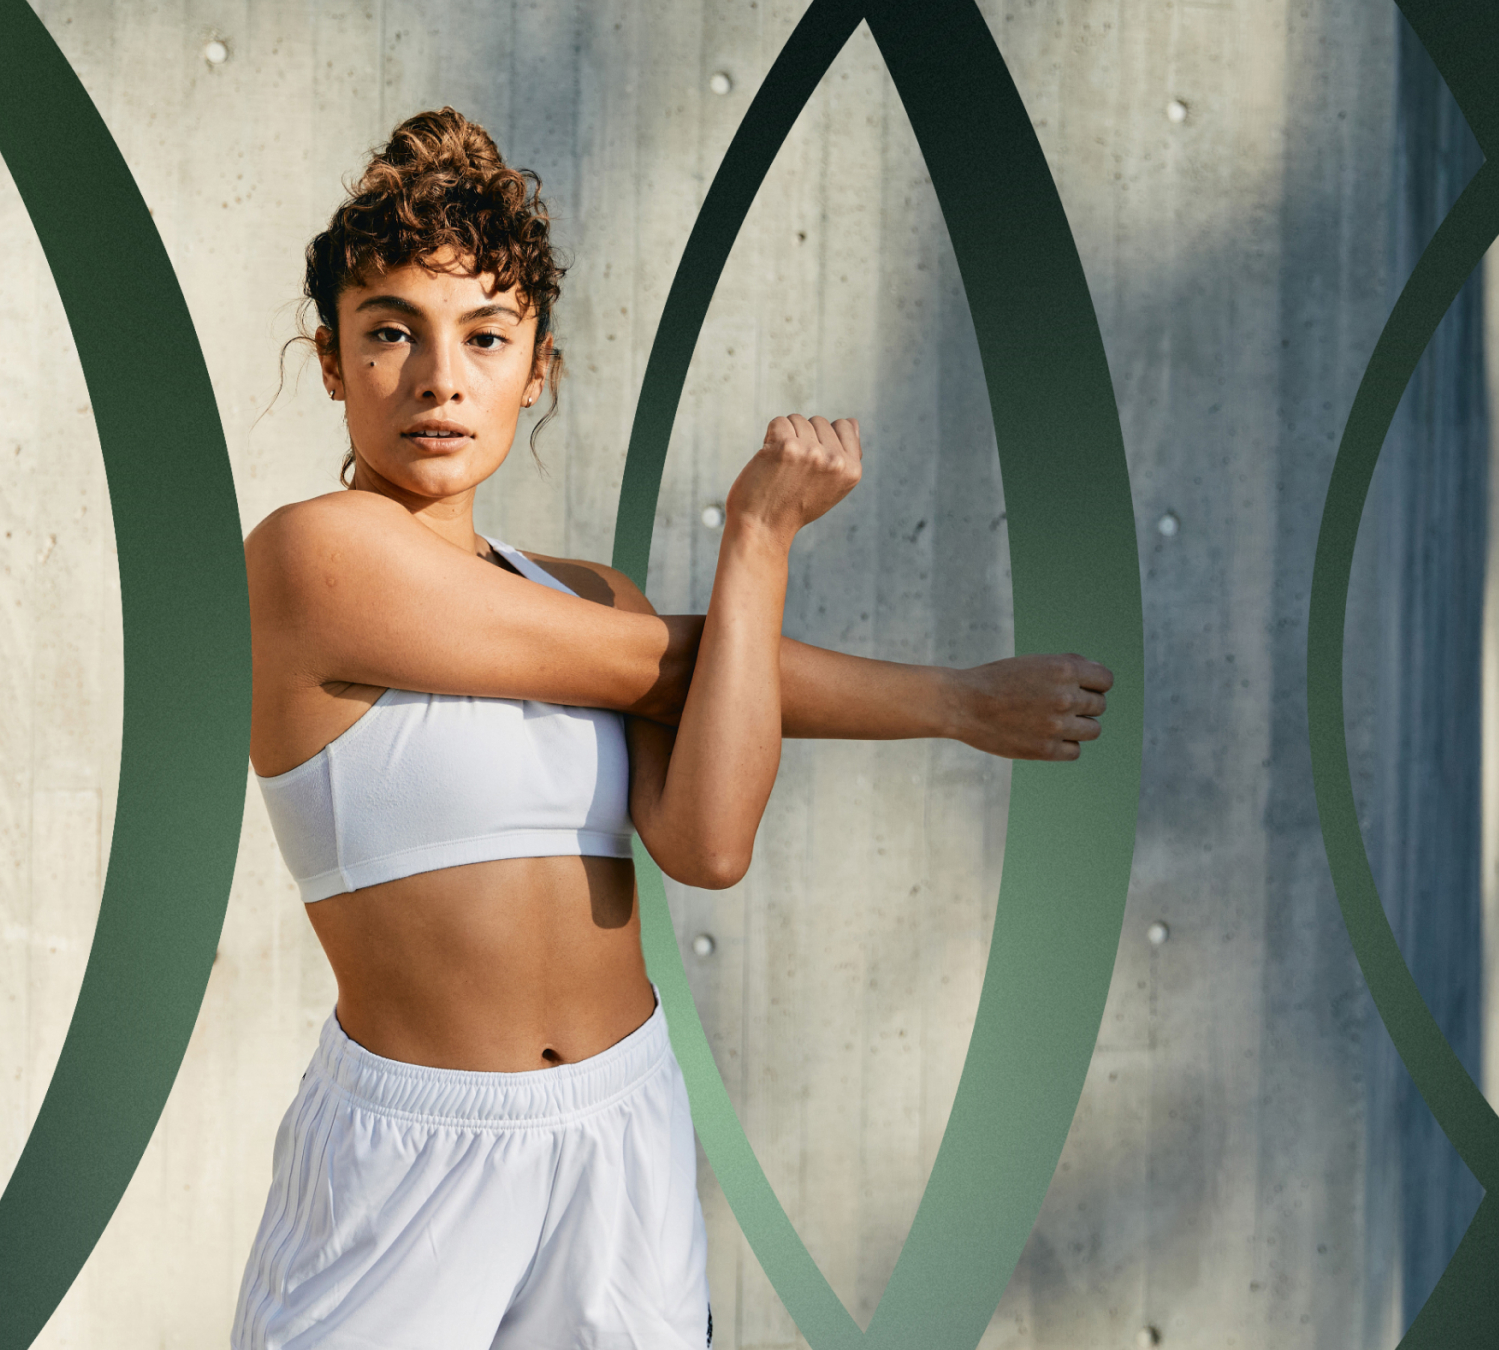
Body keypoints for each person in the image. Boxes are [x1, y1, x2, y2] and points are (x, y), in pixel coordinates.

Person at [232, 108, 1112, 1350]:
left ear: (536, 370)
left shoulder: (592, 592)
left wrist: (759, 541)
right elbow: (670, 664)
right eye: (391, 333)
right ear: (331, 361)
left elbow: (706, 843)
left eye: (485, 337)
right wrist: (956, 700)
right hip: (414, 1154)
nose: (439, 379)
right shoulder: (309, 560)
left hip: (622, 1123)